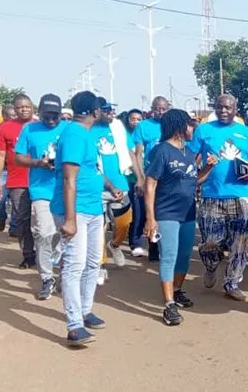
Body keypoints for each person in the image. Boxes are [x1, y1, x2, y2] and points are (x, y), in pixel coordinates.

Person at [52, 91, 117, 346]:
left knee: (93, 263)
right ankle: (74, 324)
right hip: (75, 211)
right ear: (94, 110)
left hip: (92, 208)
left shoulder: (86, 134)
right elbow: (69, 178)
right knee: (74, 266)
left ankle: (85, 310)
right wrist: (70, 219)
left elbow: (92, 171)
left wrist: (110, 188)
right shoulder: (75, 134)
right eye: (102, 108)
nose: (104, 112)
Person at [144, 109, 217, 326]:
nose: (193, 128)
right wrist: (150, 218)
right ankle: (168, 305)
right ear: (179, 127)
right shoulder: (162, 151)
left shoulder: (187, 152)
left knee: (184, 255)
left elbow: (194, 180)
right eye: (190, 124)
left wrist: (209, 167)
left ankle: (176, 291)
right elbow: (150, 184)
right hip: (166, 212)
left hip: (187, 212)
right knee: (169, 255)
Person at [190, 94, 248, 301]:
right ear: (215, 108)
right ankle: (210, 265)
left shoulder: (247, 133)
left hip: (241, 196)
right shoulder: (203, 130)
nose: (224, 111)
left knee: (240, 244)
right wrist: (201, 170)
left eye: (228, 107)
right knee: (210, 241)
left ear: (235, 108)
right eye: (220, 107)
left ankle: (232, 282)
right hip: (211, 196)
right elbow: (190, 159)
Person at [13, 94, 66, 300]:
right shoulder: (29, 129)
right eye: (47, 115)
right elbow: (18, 157)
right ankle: (47, 278)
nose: (51, 120)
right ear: (39, 111)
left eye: (55, 115)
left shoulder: (68, 129)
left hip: (66, 191)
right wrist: (38, 163)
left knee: (64, 236)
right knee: (44, 234)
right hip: (41, 191)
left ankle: (64, 275)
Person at [93, 98, 135, 285]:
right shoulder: (89, 130)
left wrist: (139, 178)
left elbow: (131, 153)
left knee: (124, 223)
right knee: (98, 228)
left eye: (112, 110)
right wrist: (109, 186)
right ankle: (100, 265)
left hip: (121, 184)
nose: (111, 114)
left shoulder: (118, 128)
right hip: (97, 188)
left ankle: (115, 245)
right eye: (106, 110)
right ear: (96, 111)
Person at [0, 94, 36, 268]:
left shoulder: (40, 126)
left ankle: (46, 253)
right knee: (21, 220)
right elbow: (0, 155)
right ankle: (28, 255)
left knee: (44, 221)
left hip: (40, 181)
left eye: (27, 106)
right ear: (15, 109)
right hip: (17, 181)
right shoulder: (4, 128)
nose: (24, 109)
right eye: (20, 107)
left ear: (32, 107)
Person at [132, 97, 169, 261]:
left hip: (168, 177)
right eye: (157, 109)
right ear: (152, 109)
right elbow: (139, 153)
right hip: (150, 175)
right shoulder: (143, 126)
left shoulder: (171, 125)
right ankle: (153, 246)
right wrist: (140, 178)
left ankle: (164, 245)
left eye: (163, 109)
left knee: (165, 212)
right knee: (150, 211)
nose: (160, 112)